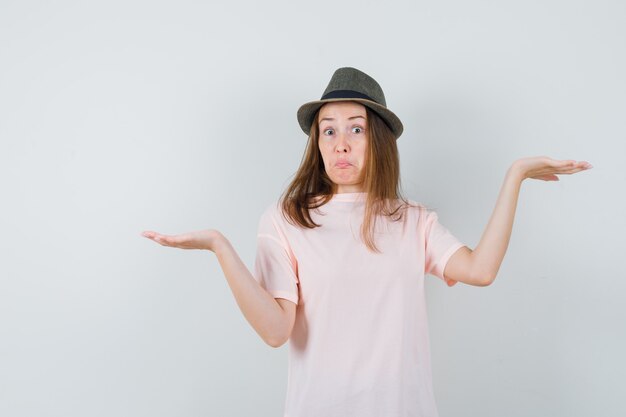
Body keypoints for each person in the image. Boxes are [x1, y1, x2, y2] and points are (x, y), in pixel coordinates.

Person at [140, 67, 592, 417]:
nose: (341, 144)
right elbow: (277, 331)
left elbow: (480, 270)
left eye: (355, 128)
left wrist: (514, 176)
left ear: (377, 140)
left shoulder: (411, 220)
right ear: (317, 143)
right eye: (328, 130)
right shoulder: (286, 219)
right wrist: (220, 247)